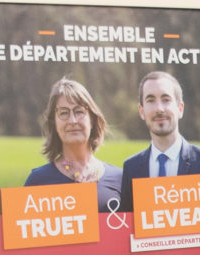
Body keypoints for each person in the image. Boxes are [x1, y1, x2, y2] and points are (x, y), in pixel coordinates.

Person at [22, 76, 124, 213]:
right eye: (64, 113)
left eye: (79, 111)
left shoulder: (120, 178)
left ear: (92, 120)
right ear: (54, 123)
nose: (72, 120)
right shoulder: (38, 180)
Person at [118, 70, 200, 203]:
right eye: (151, 100)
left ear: (180, 108)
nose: (159, 108)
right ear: (142, 111)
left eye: (166, 99)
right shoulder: (131, 168)